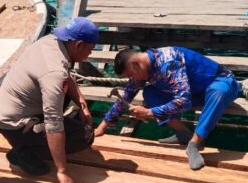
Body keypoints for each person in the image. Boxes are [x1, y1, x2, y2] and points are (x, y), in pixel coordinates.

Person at [0, 17, 99, 183]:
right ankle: (24, 152)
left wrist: (83, 105)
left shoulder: (51, 42)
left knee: (62, 97)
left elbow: (65, 76)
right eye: (90, 49)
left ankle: (29, 142)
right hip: (16, 125)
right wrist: (62, 171)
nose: (90, 54)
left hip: (12, 114)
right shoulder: (53, 73)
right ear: (79, 45)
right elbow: (54, 124)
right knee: (85, 136)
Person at [93, 47, 240, 170]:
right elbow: (126, 97)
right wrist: (102, 127)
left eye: (132, 74)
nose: (134, 79)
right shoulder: (142, 70)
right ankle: (183, 133)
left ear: (136, 63)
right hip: (194, 90)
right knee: (150, 92)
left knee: (218, 92)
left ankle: (194, 143)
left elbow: (183, 101)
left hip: (220, 82)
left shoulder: (168, 62)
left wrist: (149, 112)